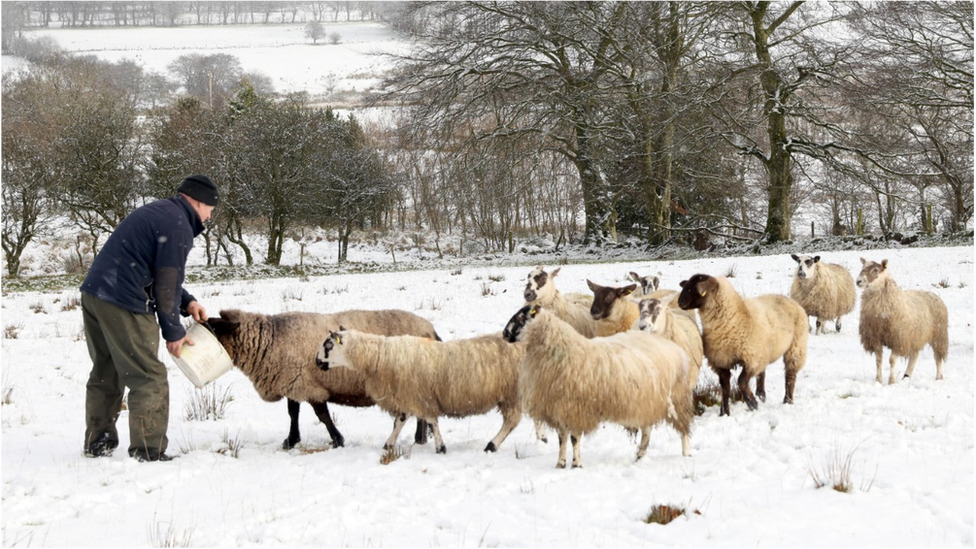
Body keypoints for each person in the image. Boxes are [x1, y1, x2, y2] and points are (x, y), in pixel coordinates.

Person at [80, 174, 219, 462]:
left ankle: (98, 442)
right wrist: (174, 333)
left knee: (107, 371)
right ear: (198, 201)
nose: (208, 217)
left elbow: (157, 271)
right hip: (124, 302)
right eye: (210, 210)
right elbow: (166, 282)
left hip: (95, 294)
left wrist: (188, 302)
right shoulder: (179, 226)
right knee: (149, 376)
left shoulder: (161, 212)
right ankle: (148, 451)